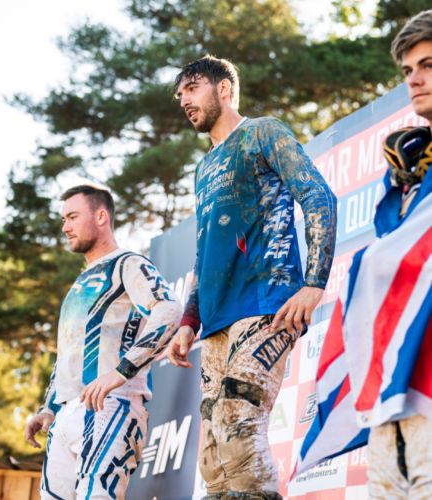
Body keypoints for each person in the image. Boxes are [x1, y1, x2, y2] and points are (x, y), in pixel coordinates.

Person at [167, 56, 337, 499]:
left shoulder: (263, 132)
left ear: (224, 89)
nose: (183, 100)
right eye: (180, 94)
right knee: (213, 457)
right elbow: (204, 250)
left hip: (267, 304)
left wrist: (314, 283)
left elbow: (318, 196)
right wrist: (188, 321)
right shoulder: (203, 168)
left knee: (238, 428)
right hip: (216, 322)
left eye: (192, 88)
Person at [24, 184, 182, 499]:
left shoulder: (128, 264)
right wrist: (48, 409)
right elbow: (67, 354)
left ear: (100, 216)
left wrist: (121, 371)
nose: (65, 227)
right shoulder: (78, 283)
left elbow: (170, 309)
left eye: (72, 217)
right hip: (65, 416)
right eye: (63, 220)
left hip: (112, 405)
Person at [364, 10, 432, 498]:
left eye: (428, 65)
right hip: (396, 380)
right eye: (408, 70)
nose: (414, 79)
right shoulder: (406, 172)